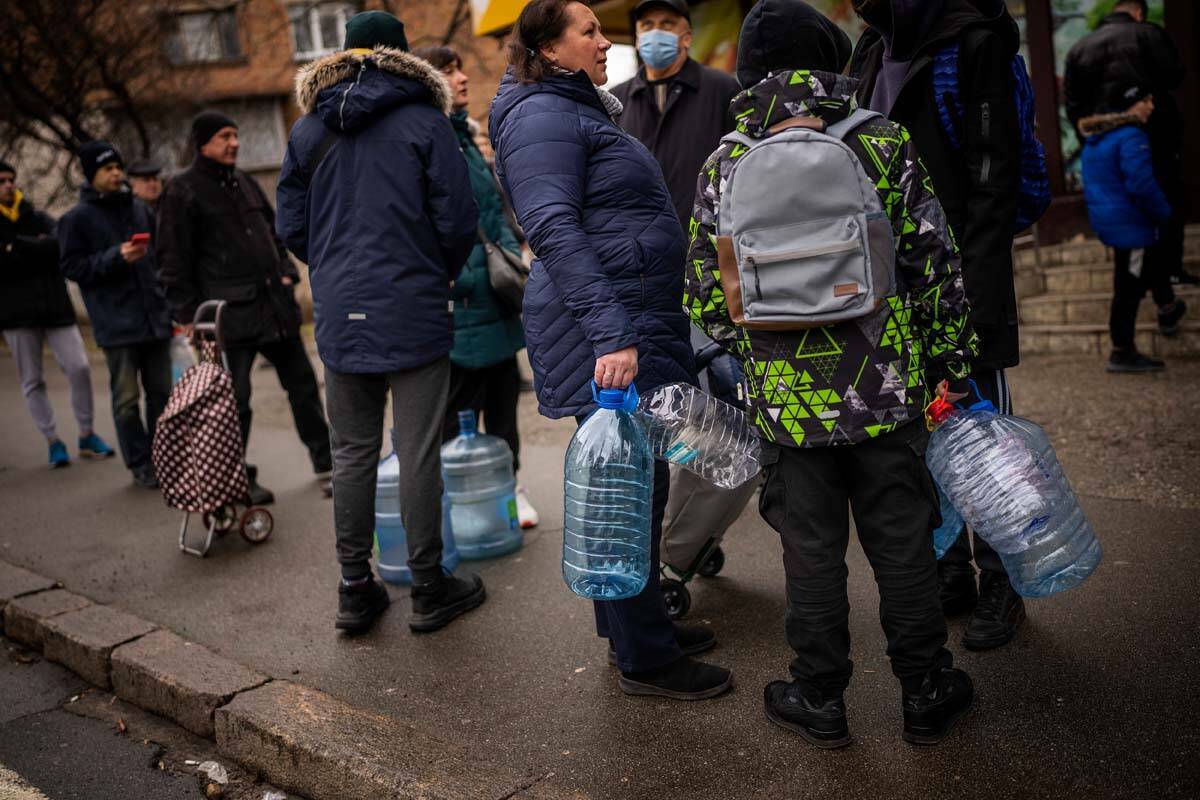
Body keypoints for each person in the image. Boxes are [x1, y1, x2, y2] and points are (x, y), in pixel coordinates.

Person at [688, 0, 978, 745]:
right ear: (833, 60)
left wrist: (762, 351)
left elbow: (704, 300)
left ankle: (819, 698)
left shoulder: (726, 162)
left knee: (809, 552)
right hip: (886, 391)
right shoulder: (880, 141)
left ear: (749, 73)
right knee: (904, 540)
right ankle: (925, 690)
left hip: (788, 406)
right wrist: (949, 359)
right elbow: (934, 262)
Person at [491, 0, 732, 700]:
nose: (608, 41)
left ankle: (635, 626)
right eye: (589, 31)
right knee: (629, 491)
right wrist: (613, 333)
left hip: (628, 318)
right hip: (606, 328)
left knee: (631, 485)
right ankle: (646, 658)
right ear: (547, 48)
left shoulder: (573, 108)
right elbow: (554, 229)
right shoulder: (541, 115)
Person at [277, 11, 486, 635]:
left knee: (351, 455)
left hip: (341, 310)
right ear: (406, 57)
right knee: (417, 450)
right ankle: (427, 586)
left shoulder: (309, 130)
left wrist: (337, 271)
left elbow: (290, 225)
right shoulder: (427, 122)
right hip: (415, 303)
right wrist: (432, 270)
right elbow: (457, 219)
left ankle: (354, 588)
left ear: (340, 57)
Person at [849, 0, 1027, 651]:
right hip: (895, 289)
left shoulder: (973, 41)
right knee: (923, 439)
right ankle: (952, 570)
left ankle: (1004, 580)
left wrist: (972, 297)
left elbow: (993, 176)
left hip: (965, 282)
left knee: (984, 439)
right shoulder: (869, 48)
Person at [609, 0, 755, 579]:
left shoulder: (722, 90)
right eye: (646, 27)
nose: (655, 36)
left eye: (666, 26)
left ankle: (695, 535)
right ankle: (685, 539)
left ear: (686, 36)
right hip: (646, 279)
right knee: (672, 412)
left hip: (713, 276)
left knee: (722, 405)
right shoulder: (618, 101)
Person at [157, 110, 332, 506]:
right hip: (225, 318)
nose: (234, 143)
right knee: (232, 403)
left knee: (303, 390)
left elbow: (276, 233)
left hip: (275, 307)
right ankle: (235, 479)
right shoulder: (181, 191)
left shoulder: (245, 182)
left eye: (235, 135)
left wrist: (287, 271)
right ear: (203, 144)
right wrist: (187, 316)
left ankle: (327, 465)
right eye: (224, 137)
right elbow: (170, 259)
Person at [411, 43, 539, 530]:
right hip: (461, 304)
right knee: (456, 418)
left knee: (503, 408)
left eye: (460, 68)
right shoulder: (430, 140)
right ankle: (460, 508)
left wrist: (509, 255)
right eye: (447, 71)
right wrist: (462, 279)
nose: (461, 78)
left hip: (495, 296)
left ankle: (509, 492)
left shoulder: (464, 136)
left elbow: (493, 212)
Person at [58, 142, 171, 489]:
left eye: (117, 167)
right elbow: (72, 267)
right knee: (126, 401)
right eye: (107, 169)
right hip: (116, 324)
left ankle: (163, 459)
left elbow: (160, 257)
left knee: (162, 396)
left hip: (154, 319)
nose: (116, 173)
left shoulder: (138, 208)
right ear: (92, 175)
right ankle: (139, 464)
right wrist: (115, 257)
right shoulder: (76, 219)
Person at [1064, 0, 1194, 287]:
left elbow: (1073, 105)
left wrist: (1093, 133)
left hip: (1103, 142)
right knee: (1162, 197)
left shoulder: (1079, 48)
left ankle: (1145, 282)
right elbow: (1176, 75)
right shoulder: (1147, 32)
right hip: (1154, 137)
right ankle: (1168, 274)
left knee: (1125, 206)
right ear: (1138, 13)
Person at [0, 160, 114, 468]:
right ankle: (53, 440)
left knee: (79, 367)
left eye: (11, 179)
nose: (9, 185)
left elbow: (59, 246)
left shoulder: (36, 216)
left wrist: (16, 248)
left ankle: (87, 434)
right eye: (2, 181)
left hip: (56, 308)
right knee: (32, 380)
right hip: (15, 315)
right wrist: (35, 248)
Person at [1079, 88, 1180, 372]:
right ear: (1129, 107)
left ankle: (1168, 307)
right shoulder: (1131, 137)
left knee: (1144, 270)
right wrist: (1165, 214)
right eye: (1145, 100)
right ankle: (1122, 350)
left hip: (1113, 222)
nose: (1151, 106)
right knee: (1128, 287)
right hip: (1131, 224)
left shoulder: (1096, 139)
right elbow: (1141, 185)